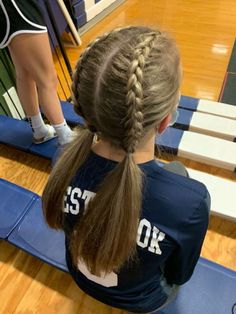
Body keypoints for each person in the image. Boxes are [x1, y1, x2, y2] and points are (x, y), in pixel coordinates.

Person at [42, 26, 210, 313]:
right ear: (164, 121)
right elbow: (179, 276)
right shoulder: (190, 201)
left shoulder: (62, 162)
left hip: (80, 277)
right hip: (142, 300)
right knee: (179, 172)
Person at [0, 0, 74, 145]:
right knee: (48, 79)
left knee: (25, 73)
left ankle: (39, 130)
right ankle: (66, 137)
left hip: (11, 9)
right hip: (17, 8)